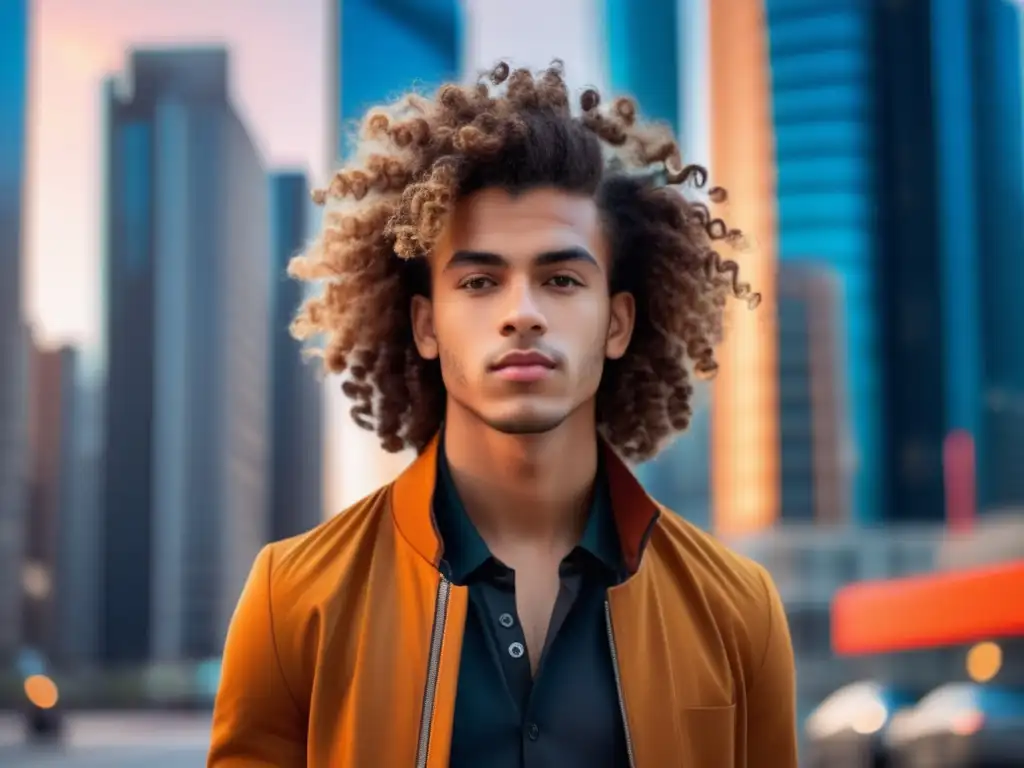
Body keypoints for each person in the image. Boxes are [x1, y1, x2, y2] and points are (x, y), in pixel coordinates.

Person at [208, 61, 797, 768]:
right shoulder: (292, 600)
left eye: (561, 280)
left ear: (617, 323)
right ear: (425, 325)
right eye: (481, 281)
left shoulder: (737, 610)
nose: (522, 314)